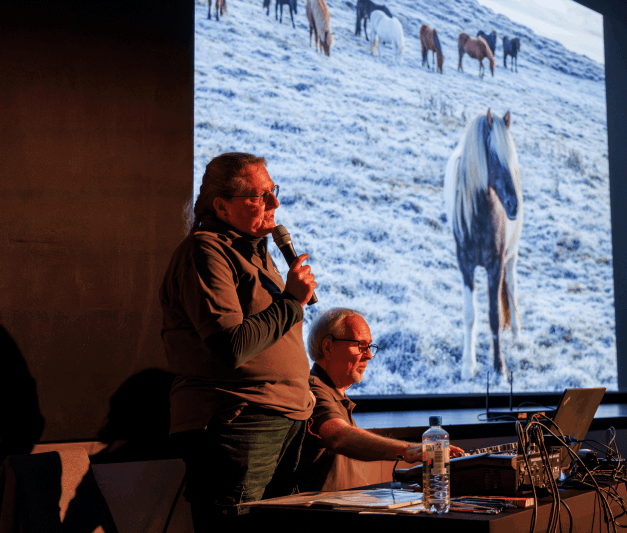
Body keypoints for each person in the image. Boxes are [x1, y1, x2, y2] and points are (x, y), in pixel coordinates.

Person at [159, 152, 317, 531]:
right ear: (222, 206)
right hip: (238, 421)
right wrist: (291, 301)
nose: (274, 202)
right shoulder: (205, 250)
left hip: (284, 419)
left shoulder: (257, 253)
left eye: (273, 190)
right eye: (260, 196)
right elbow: (232, 345)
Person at [297, 308, 464, 492]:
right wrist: (408, 450)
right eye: (360, 345)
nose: (369, 355)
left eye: (369, 347)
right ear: (328, 347)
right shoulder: (313, 390)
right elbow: (339, 436)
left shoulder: (335, 394)